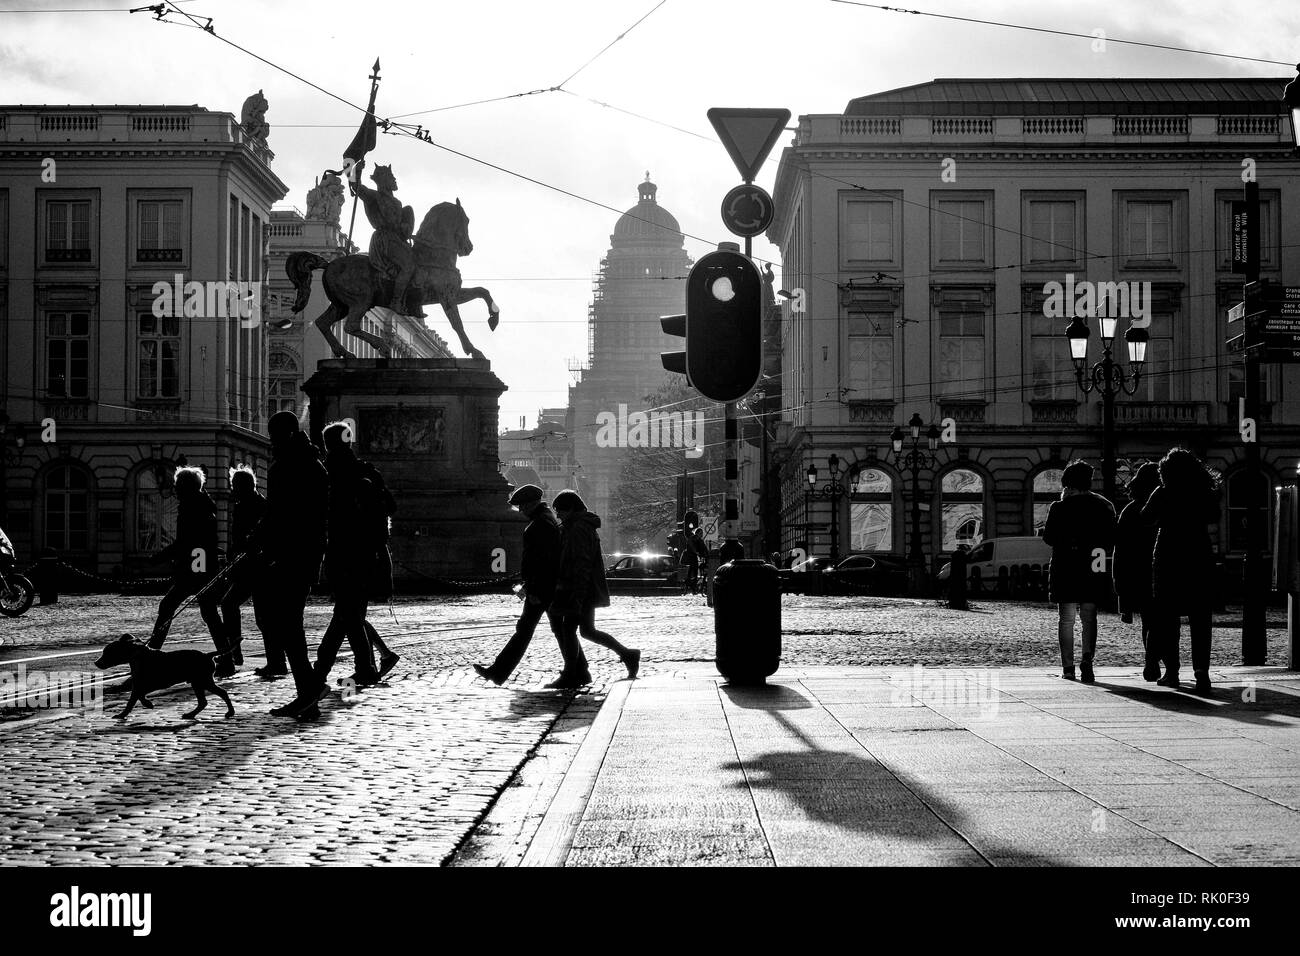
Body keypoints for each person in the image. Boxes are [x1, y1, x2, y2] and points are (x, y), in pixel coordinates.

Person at [253, 412, 329, 721]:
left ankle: (309, 691)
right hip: (308, 552)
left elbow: (278, 513)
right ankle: (308, 693)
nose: (270, 442)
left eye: (272, 436)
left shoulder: (284, 466)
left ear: (280, 435)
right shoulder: (314, 463)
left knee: (286, 623)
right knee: (289, 622)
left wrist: (259, 539)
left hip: (290, 554)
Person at [473, 484, 586, 686]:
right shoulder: (545, 520)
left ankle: (498, 672)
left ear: (532, 503)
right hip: (548, 587)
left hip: (542, 588)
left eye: (522, 506)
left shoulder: (539, 525)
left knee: (526, 629)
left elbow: (542, 562)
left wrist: (533, 589)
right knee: (559, 630)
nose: (520, 510)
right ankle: (580, 671)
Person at [310, 422, 387, 697]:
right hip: (367, 554)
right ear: (350, 442)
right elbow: (390, 505)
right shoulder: (366, 470)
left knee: (344, 614)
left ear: (327, 444)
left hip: (341, 553)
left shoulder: (326, 472)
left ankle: (320, 671)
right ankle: (365, 668)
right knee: (352, 615)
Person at [1142, 448, 1221, 695]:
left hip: (1169, 555)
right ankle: (1202, 673)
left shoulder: (1163, 492)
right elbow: (1214, 516)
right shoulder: (1204, 492)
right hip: (1198, 553)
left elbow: (1145, 517)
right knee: (1201, 618)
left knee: (1167, 618)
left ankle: (1172, 672)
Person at [550, 490, 640, 688]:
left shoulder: (578, 529)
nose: (557, 515)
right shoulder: (578, 526)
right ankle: (628, 654)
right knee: (587, 631)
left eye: (560, 510)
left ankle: (571, 674)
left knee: (568, 630)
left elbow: (581, 563)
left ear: (571, 508)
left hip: (580, 589)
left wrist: (577, 595)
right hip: (584, 589)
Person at [1042, 460, 1117, 683]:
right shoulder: (1102, 505)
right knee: (1089, 617)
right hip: (1094, 564)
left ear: (1067, 484)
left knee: (1066, 620)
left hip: (1066, 566)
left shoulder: (1060, 507)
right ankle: (1087, 661)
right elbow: (1111, 538)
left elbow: (1049, 538)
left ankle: (1068, 668)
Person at [149, 466, 224, 652]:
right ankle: (226, 655)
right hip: (200, 564)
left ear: (185, 487)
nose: (175, 489)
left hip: (196, 566)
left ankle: (151, 651)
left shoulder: (192, 508)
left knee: (169, 606)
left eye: (178, 485)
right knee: (208, 612)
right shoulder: (201, 504)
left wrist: (158, 558)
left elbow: (186, 542)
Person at [214, 465, 274, 680]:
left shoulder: (260, 505)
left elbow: (264, 537)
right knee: (231, 605)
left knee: (262, 617)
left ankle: (275, 661)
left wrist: (248, 549)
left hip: (260, 568)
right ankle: (235, 651)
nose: (232, 490)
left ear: (246, 486)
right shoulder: (241, 505)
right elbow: (237, 539)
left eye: (235, 486)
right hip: (244, 568)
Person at [1112, 463, 1162, 682]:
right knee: (1161, 621)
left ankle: (1153, 662)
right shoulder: (1163, 505)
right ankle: (1160, 663)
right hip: (1160, 570)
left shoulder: (1130, 510)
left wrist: (1121, 588)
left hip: (1137, 574)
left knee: (1150, 621)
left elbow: (1120, 551)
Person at [947, 544, 970, 611]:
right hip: (961, 576)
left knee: (954, 589)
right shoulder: (963, 554)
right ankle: (961, 604)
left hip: (954, 576)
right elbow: (966, 561)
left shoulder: (954, 554)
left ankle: (953, 603)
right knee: (961, 590)